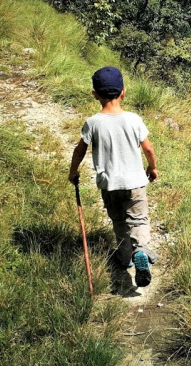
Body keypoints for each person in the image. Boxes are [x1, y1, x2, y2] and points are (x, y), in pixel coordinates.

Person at [68, 66, 158, 287]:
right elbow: (148, 149)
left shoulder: (93, 123)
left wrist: (73, 171)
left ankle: (125, 257)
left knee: (119, 221)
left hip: (109, 185)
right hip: (135, 183)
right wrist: (152, 168)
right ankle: (141, 252)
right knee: (138, 220)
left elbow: (79, 150)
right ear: (123, 92)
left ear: (95, 94)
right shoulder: (134, 119)